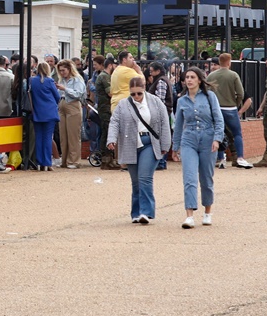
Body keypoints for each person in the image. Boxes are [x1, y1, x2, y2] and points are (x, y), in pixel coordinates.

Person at [107, 74, 172, 224]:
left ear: (144, 90)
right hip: (131, 144)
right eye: (133, 94)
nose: (136, 96)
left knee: (144, 178)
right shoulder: (123, 104)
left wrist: (165, 145)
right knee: (136, 181)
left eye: (139, 93)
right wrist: (111, 139)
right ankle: (136, 213)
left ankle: (146, 212)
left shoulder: (156, 102)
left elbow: (164, 123)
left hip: (150, 143)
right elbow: (114, 122)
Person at [171, 67, 224, 229]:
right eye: (187, 77)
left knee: (206, 178)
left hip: (208, 138)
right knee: (189, 177)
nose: (189, 80)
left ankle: (207, 211)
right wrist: (175, 146)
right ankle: (189, 215)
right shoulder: (181, 101)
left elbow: (218, 119)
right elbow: (178, 125)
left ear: (199, 80)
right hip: (189, 139)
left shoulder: (210, 97)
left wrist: (217, 139)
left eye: (192, 77)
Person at [207, 53, 252, 169]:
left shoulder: (211, 76)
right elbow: (241, 93)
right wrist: (236, 104)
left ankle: (221, 159)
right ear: (229, 62)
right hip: (230, 108)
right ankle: (240, 157)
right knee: (237, 133)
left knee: (219, 133)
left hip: (216, 108)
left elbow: (206, 91)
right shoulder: (233, 75)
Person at [28, 62, 61, 171]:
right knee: (48, 137)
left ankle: (39, 162)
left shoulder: (32, 80)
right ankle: (47, 162)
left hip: (37, 111)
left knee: (39, 137)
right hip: (50, 111)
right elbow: (57, 96)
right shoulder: (49, 80)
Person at [55, 59, 86, 169]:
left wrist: (65, 89)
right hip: (62, 104)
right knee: (63, 135)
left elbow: (79, 94)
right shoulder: (61, 79)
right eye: (60, 71)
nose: (62, 73)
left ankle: (74, 161)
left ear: (69, 69)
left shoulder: (77, 80)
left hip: (73, 104)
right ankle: (64, 160)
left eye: (63, 70)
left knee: (73, 135)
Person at [94, 56, 119, 170]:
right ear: (110, 65)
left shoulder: (105, 76)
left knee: (107, 132)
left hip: (106, 108)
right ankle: (107, 159)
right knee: (108, 132)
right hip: (105, 109)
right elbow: (110, 93)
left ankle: (107, 159)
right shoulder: (104, 76)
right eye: (114, 65)